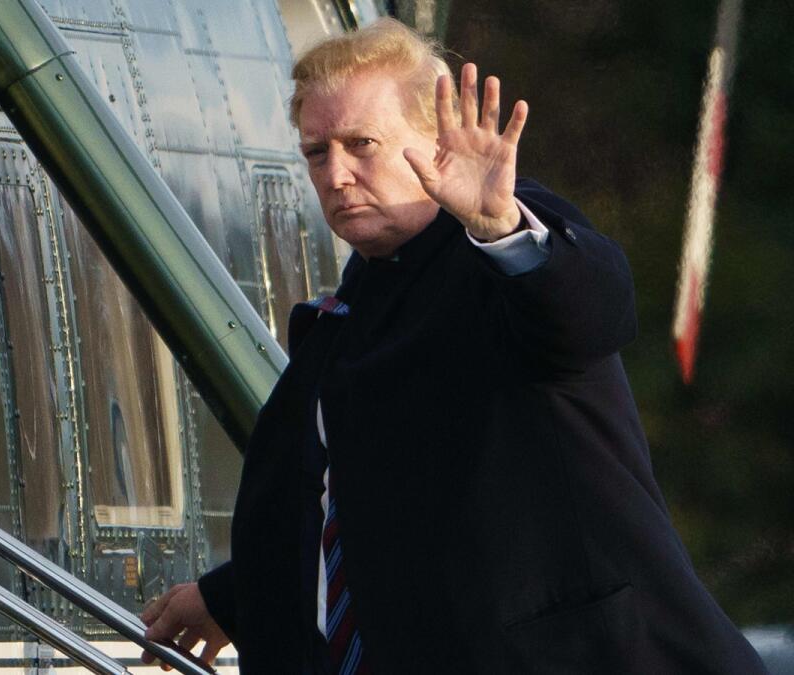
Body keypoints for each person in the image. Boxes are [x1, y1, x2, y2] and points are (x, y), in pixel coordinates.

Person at [142, 18, 766, 674]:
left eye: (362, 143)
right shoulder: (354, 311)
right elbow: (360, 503)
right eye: (317, 151)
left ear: (438, 143)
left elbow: (591, 311)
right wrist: (229, 595)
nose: (338, 173)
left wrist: (500, 228)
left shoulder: (497, 253)